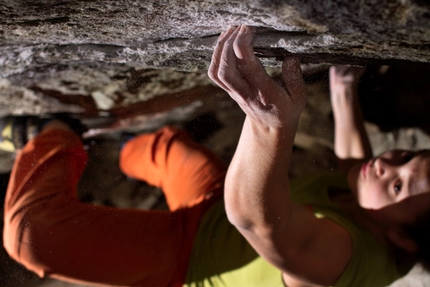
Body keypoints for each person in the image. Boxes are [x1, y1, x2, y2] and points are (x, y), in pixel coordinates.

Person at [2, 24, 430, 287]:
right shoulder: (381, 206)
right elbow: (358, 167)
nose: (388, 163)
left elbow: (253, 218)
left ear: (402, 239)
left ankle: (52, 132)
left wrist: (268, 126)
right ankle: (114, 146)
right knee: (164, 146)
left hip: (186, 267)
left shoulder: (341, 260)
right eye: (408, 155)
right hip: (212, 208)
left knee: (31, 238)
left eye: (398, 183)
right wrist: (342, 91)